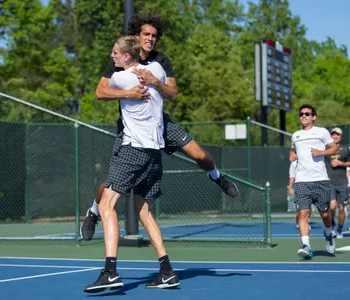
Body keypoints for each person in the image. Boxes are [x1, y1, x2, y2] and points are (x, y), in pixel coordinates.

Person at [81, 14, 238, 241]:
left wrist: (155, 81)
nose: (151, 39)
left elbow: (173, 94)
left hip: (160, 125)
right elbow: (100, 92)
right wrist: (129, 93)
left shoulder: (161, 61)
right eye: (146, 34)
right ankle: (94, 212)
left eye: (154, 36)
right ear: (136, 35)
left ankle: (217, 177)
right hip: (131, 130)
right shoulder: (122, 58)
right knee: (111, 184)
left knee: (201, 154)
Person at [83, 36, 179, 293]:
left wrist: (125, 93)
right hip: (154, 154)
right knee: (143, 211)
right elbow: (172, 93)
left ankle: (110, 272)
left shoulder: (121, 78)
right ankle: (167, 271)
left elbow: (100, 91)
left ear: (127, 56)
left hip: (133, 149)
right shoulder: (157, 70)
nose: (111, 57)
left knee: (106, 205)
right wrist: (154, 84)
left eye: (115, 53)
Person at [289, 104, 339, 259]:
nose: (303, 116)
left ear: (314, 116)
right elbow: (293, 150)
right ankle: (306, 245)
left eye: (307, 114)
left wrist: (321, 152)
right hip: (302, 181)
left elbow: (335, 149)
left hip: (320, 180)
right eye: (301, 114)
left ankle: (329, 234)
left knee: (325, 214)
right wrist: (292, 155)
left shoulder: (322, 132)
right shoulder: (295, 135)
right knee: (303, 214)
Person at [324, 127, 350, 238]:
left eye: (337, 135)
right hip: (329, 182)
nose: (335, 136)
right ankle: (332, 227)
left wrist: (340, 163)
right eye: (333, 135)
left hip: (342, 183)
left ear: (341, 137)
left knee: (341, 208)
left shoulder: (345, 149)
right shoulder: (326, 149)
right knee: (331, 207)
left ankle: (339, 230)